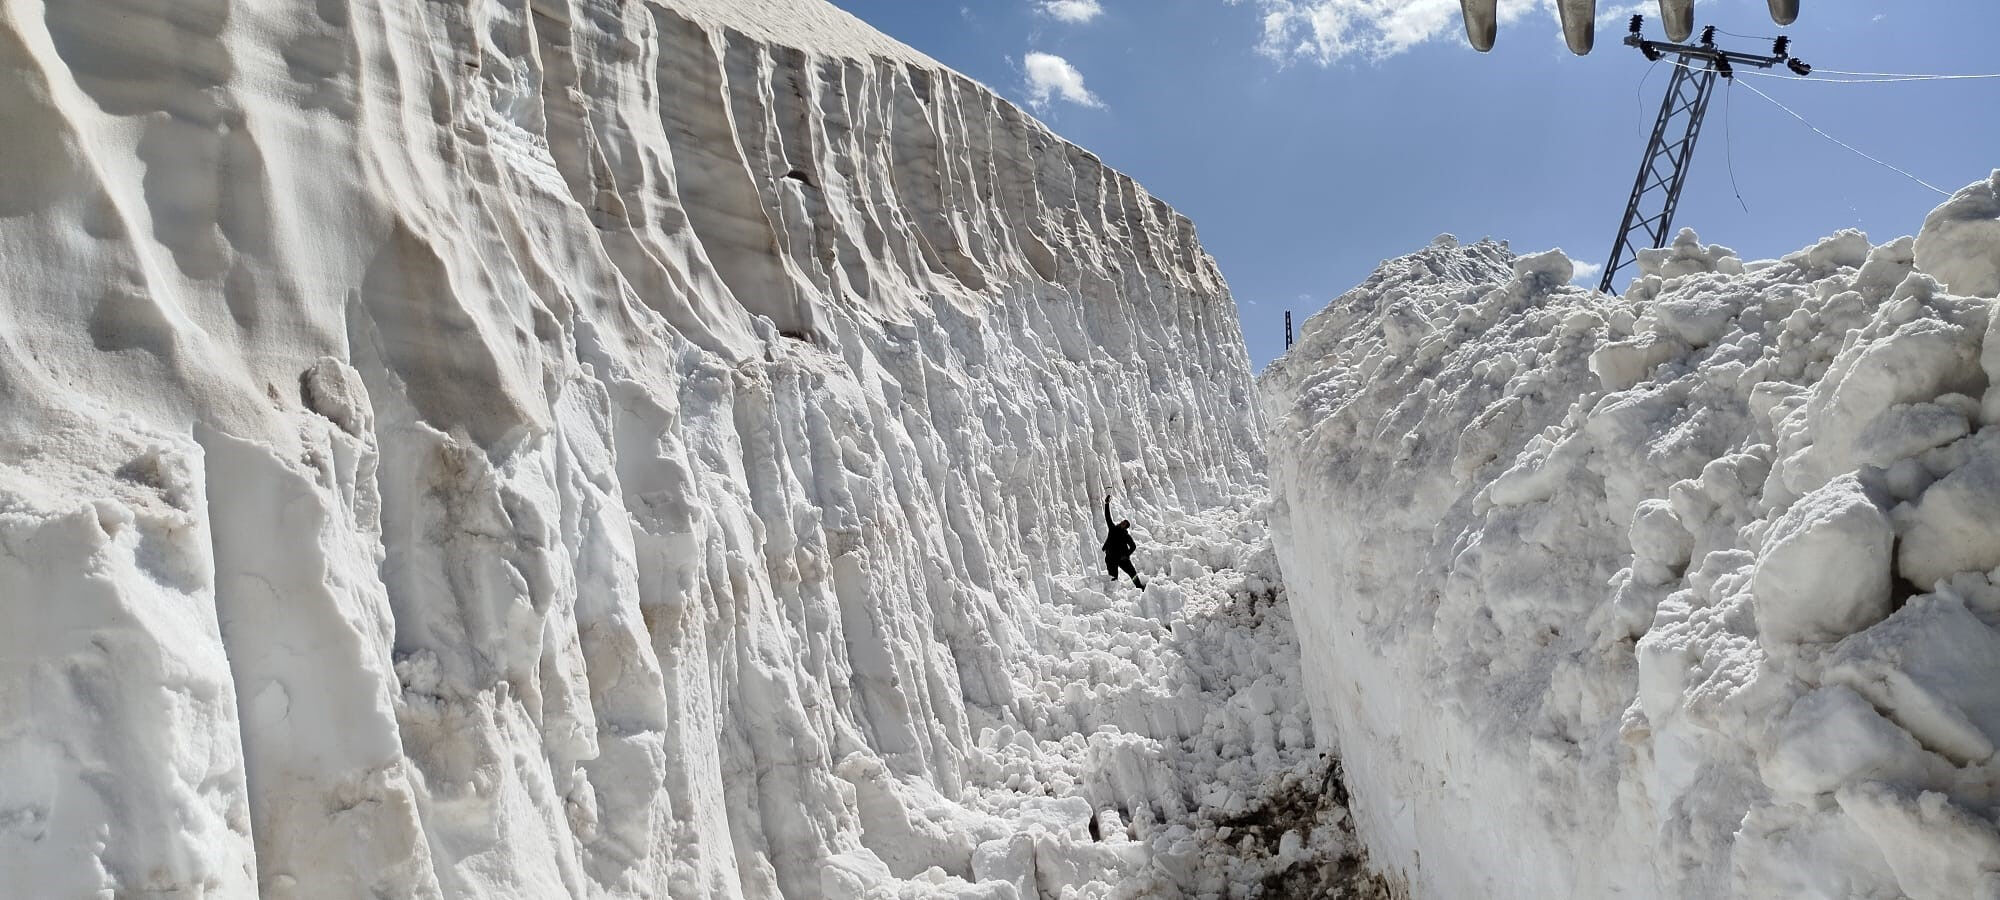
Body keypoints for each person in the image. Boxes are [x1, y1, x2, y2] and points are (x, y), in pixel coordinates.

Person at [1102, 494, 1145, 588]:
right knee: (1113, 577)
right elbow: (1108, 517)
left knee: (1132, 573)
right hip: (1111, 558)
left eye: (1124, 523)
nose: (1121, 523)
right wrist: (1107, 504)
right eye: (1122, 522)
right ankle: (1113, 593)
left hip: (1122, 559)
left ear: (1125, 527)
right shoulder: (1113, 529)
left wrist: (1126, 555)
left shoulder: (1126, 536)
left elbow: (1133, 546)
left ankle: (1139, 587)